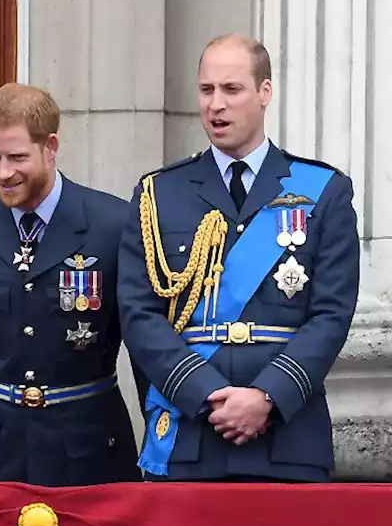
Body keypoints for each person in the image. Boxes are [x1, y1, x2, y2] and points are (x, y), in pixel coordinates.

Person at [121, 34, 360, 482]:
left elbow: (331, 314)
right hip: (191, 434)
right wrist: (206, 392)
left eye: (232, 90)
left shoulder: (322, 190)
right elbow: (138, 313)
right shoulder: (158, 194)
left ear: (264, 92)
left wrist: (268, 396)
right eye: (207, 90)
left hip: (287, 439)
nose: (216, 105)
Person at [0, 83, 138, 486]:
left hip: (87, 442)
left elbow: (139, 330)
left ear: (51, 146)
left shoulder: (113, 223)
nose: (3, 172)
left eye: (17, 157)